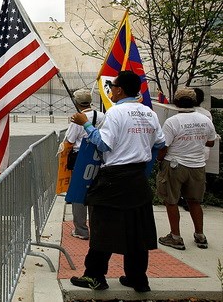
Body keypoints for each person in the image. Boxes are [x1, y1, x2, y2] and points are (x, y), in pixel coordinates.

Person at [69, 70, 166, 293]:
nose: (110, 90)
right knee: (137, 230)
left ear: (120, 90)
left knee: (103, 226)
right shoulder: (149, 113)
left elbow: (103, 144)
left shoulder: (116, 113)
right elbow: (159, 142)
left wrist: (86, 124)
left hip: (114, 178)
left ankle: (95, 276)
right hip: (138, 178)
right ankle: (138, 278)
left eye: (112, 86)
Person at [156, 87, 216, 251]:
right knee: (195, 202)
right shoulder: (205, 119)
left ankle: (175, 237)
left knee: (171, 201)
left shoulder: (173, 122)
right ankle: (200, 235)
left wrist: (159, 159)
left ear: (176, 102)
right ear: (195, 101)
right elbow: (211, 142)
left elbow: (164, 146)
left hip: (175, 165)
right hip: (197, 165)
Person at [63, 88, 105, 240]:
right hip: (98, 156)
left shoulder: (78, 118)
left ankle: (81, 229)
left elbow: (70, 139)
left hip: (80, 158)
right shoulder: (102, 116)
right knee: (95, 192)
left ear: (77, 102)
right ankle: (96, 228)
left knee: (79, 194)